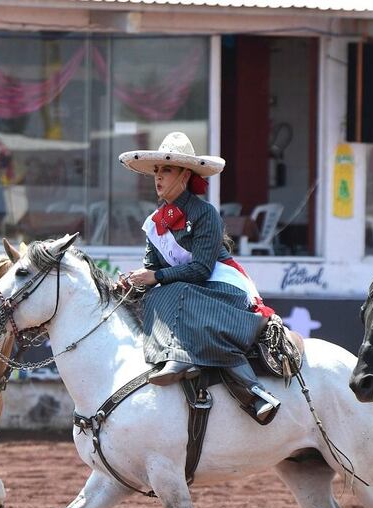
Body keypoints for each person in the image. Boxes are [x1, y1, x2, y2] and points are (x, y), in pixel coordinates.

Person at [117, 132, 281, 424]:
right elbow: (152, 268)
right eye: (156, 171)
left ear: (184, 175)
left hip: (221, 285)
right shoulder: (155, 223)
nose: (158, 177)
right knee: (158, 292)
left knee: (172, 290)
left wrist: (155, 276)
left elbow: (201, 271)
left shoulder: (205, 214)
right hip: (186, 289)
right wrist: (134, 282)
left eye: (166, 170)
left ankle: (248, 389)